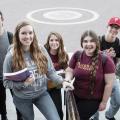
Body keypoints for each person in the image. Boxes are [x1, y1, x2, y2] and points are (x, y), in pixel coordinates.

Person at [3, 21, 73, 120]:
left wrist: (64, 82)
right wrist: (24, 83)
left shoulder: (41, 49)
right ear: (17, 35)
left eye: (30, 33)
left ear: (34, 34)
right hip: (22, 98)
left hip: (41, 94)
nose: (28, 36)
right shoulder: (11, 56)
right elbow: (6, 83)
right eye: (23, 33)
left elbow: (51, 72)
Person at [65, 30, 115, 120]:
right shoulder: (77, 55)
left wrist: (104, 102)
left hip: (92, 100)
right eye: (85, 41)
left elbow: (109, 84)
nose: (88, 44)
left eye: (92, 41)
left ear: (96, 43)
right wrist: (68, 80)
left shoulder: (105, 60)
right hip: (74, 96)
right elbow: (69, 70)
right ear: (82, 43)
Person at [92, 17, 120, 120]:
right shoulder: (98, 40)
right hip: (97, 75)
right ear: (107, 27)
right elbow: (90, 58)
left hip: (111, 75)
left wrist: (116, 72)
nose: (114, 29)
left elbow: (117, 59)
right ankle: (94, 117)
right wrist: (104, 55)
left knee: (118, 100)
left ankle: (109, 115)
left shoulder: (117, 42)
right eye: (112, 26)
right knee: (94, 100)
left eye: (117, 28)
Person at [0, 10, 23, 120]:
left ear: (2, 20)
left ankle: (20, 117)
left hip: (11, 75)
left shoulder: (9, 36)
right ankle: (4, 117)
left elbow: (18, 55)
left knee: (17, 100)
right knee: (1, 103)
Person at [44, 32, 69, 120]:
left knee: (58, 111)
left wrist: (66, 76)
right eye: (51, 40)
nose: (54, 42)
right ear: (48, 42)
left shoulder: (63, 54)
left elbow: (67, 70)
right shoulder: (43, 52)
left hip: (55, 86)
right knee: (49, 112)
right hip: (43, 86)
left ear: (60, 42)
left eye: (56, 40)